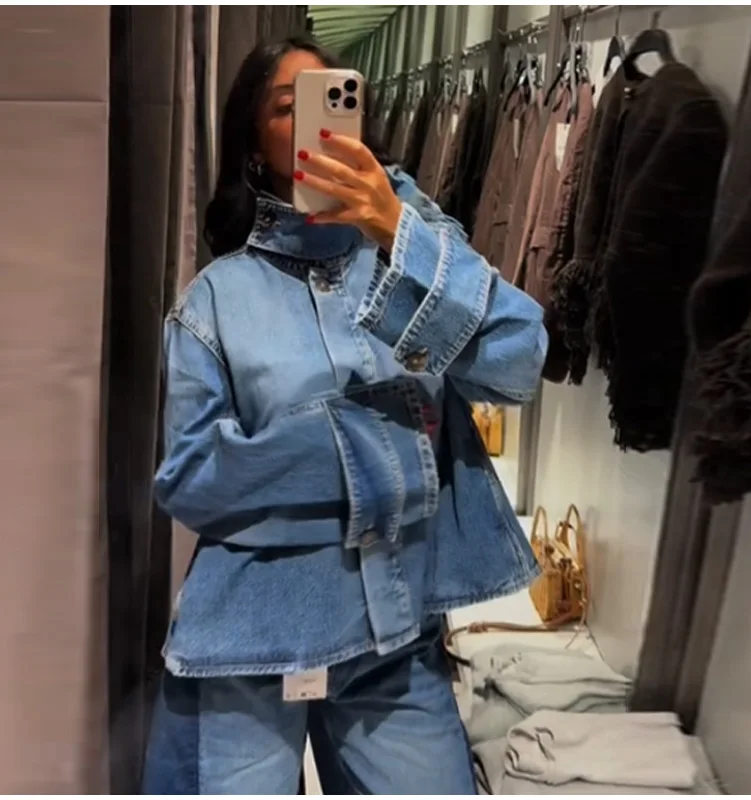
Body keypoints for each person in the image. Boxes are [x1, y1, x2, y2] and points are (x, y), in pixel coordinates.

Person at [143, 34, 548, 795]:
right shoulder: (215, 301)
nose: (314, 123)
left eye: (333, 100)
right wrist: (386, 442)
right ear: (253, 145)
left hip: (396, 639)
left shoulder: (420, 258)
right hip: (253, 637)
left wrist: (397, 229)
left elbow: (519, 364)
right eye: (287, 107)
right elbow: (191, 481)